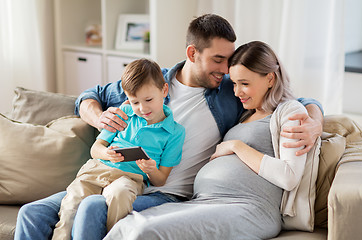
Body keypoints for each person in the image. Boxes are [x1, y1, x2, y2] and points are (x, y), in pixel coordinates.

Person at [15, 14, 323, 240]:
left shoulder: (229, 93)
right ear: (192, 53)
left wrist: (314, 122)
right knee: (32, 213)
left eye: (228, 60)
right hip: (113, 174)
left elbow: (286, 96)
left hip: (164, 192)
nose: (225, 69)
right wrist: (98, 118)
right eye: (218, 60)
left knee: (94, 207)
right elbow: (90, 96)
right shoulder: (150, 82)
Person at [104, 40, 312, 240]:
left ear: (270, 79)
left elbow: (289, 176)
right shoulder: (245, 112)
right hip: (203, 201)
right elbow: (102, 93)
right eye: (235, 83)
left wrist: (236, 146)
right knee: (128, 226)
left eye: (245, 84)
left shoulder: (288, 111)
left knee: (145, 232)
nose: (237, 92)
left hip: (247, 207)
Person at [51, 59, 185, 240]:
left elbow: (160, 180)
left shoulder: (175, 132)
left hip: (130, 179)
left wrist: (151, 169)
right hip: (97, 171)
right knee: (70, 206)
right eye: (135, 102)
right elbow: (96, 148)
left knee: (120, 194)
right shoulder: (125, 112)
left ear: (164, 90)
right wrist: (107, 153)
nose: (142, 108)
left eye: (148, 100)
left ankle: (113, 235)